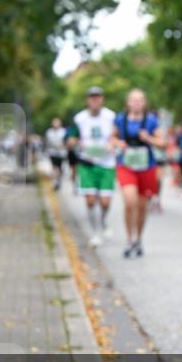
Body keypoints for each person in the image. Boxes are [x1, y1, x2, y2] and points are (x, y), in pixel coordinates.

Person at [113, 89, 167, 258]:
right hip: (126, 165)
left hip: (146, 167)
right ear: (128, 102)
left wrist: (148, 138)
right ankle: (130, 239)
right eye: (133, 100)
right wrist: (118, 143)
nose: (136, 102)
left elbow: (163, 143)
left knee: (142, 207)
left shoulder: (151, 121)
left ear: (144, 103)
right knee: (130, 202)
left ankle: (139, 239)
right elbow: (112, 138)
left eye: (140, 100)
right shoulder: (120, 119)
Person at [66, 87, 117, 247]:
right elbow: (70, 139)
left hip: (106, 163)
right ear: (88, 100)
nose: (95, 100)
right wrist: (75, 142)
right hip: (87, 163)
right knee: (90, 200)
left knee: (105, 202)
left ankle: (103, 221)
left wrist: (112, 143)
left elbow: (117, 135)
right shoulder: (80, 118)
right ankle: (95, 233)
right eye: (92, 97)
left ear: (102, 99)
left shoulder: (111, 117)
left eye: (98, 97)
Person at [44, 118, 68, 190]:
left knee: (60, 168)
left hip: (61, 153)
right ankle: (56, 182)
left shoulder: (63, 131)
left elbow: (66, 141)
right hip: (52, 152)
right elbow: (47, 142)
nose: (56, 124)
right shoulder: (49, 132)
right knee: (55, 167)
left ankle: (59, 180)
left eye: (57, 123)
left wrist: (64, 146)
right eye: (54, 123)